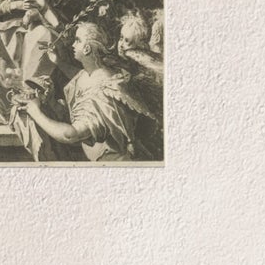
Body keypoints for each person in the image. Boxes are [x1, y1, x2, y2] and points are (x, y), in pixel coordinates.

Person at [22, 21, 161, 162]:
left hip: (113, 163)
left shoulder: (101, 93)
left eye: (77, 40)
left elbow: (71, 135)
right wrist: (58, 62)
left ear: (87, 49)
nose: (73, 45)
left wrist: (34, 111)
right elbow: (77, 75)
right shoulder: (95, 73)